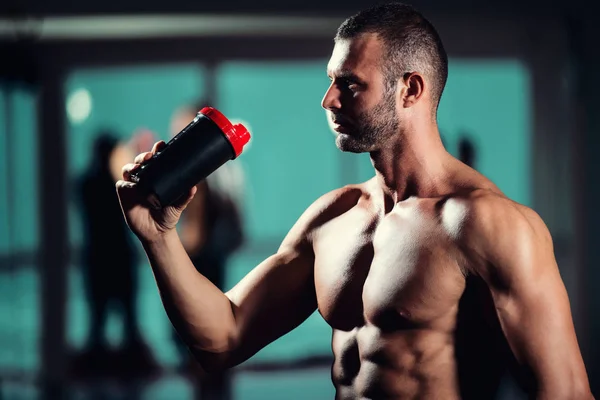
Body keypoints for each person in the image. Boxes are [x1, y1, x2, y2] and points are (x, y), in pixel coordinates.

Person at [116, 2, 593, 398]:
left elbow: (566, 393)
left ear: (410, 89)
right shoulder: (335, 217)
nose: (328, 100)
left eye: (349, 84)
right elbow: (223, 337)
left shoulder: (487, 225)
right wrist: (159, 237)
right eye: (330, 80)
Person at [169, 103, 246, 400]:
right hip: (196, 255)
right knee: (192, 332)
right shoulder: (197, 170)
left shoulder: (218, 171)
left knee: (206, 331)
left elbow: (230, 217)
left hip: (207, 257)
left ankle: (209, 381)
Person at [75, 132, 159, 381]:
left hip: (97, 261)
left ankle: (98, 376)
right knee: (128, 322)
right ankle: (130, 377)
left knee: (98, 323)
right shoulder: (114, 186)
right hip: (119, 260)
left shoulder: (85, 184)